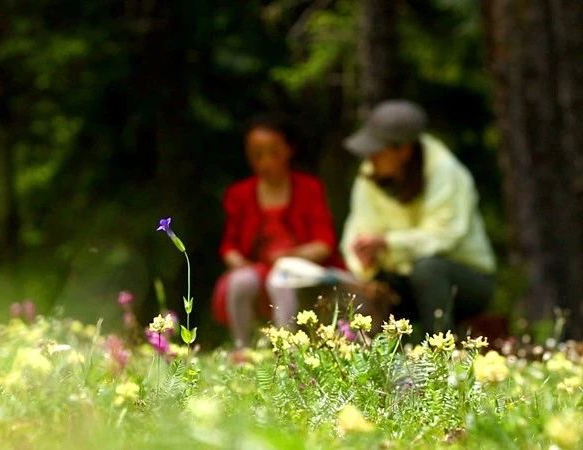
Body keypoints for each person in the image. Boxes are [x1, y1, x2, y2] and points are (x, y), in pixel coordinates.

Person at [341, 100, 496, 333]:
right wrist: (365, 262)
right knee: (362, 285)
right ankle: (369, 352)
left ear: (404, 150)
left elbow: (443, 237)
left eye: (377, 151)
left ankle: (440, 348)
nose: (370, 157)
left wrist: (387, 243)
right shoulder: (369, 173)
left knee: (428, 269)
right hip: (404, 278)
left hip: (466, 280)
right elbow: (356, 233)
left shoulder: (446, 171)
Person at [211, 115, 342, 348]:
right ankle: (242, 350)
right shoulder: (239, 194)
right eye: (257, 154)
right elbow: (229, 245)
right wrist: (239, 263)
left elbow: (324, 244)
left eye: (273, 152)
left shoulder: (309, 188)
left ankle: (286, 350)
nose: (265, 162)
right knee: (239, 281)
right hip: (258, 270)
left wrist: (290, 256)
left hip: (300, 270)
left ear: (289, 150)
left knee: (281, 281)